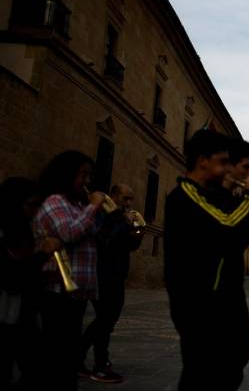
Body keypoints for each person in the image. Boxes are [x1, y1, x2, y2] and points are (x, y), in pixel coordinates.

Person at [164, 130, 249, 391]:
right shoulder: (186, 195)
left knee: (233, 364)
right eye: (222, 161)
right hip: (199, 299)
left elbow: (230, 242)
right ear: (202, 160)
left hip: (226, 294)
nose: (227, 168)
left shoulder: (213, 196)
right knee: (202, 372)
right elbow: (225, 223)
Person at [33, 151, 106, 391]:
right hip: (57, 293)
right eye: (83, 174)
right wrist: (94, 206)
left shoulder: (77, 205)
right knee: (56, 360)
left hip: (76, 293)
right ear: (67, 174)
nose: (87, 181)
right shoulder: (55, 202)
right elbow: (68, 233)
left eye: (90, 175)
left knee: (69, 362)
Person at [0, 177, 61, 389]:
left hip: (25, 315)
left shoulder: (26, 232)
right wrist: (42, 255)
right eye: (32, 205)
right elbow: (12, 279)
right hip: (7, 316)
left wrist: (45, 276)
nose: (35, 212)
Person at [79, 184, 143, 383]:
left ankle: (89, 358)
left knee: (107, 320)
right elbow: (105, 241)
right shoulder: (103, 213)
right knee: (105, 319)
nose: (128, 203)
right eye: (125, 198)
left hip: (116, 274)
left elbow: (128, 244)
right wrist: (123, 222)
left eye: (130, 199)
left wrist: (136, 232)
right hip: (103, 274)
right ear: (114, 196)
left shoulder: (120, 217)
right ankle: (97, 363)